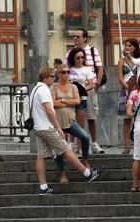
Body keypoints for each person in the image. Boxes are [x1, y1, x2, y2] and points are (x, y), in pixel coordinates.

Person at [30, 66, 103, 195]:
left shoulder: (35, 89)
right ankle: (87, 173)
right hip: (47, 127)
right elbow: (49, 110)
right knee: (66, 149)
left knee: (41, 156)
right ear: (45, 77)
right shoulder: (44, 90)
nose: (54, 79)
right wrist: (58, 127)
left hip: (38, 128)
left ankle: (43, 187)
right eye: (52, 76)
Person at [51, 63, 91, 183]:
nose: (66, 74)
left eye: (68, 72)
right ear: (59, 74)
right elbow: (53, 103)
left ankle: (85, 160)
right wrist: (69, 102)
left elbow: (77, 101)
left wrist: (62, 100)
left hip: (71, 121)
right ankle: (62, 173)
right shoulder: (53, 87)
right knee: (59, 149)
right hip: (58, 123)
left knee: (85, 137)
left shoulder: (73, 87)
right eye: (64, 72)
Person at [70, 27, 105, 154]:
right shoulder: (70, 53)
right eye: (74, 36)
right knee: (73, 118)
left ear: (85, 38)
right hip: (73, 91)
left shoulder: (92, 51)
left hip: (89, 89)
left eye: (77, 36)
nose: (75, 38)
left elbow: (100, 68)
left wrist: (96, 85)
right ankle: (73, 144)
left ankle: (94, 143)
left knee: (91, 116)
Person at [67, 47, 95, 156]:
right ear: (73, 58)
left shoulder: (87, 70)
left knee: (80, 124)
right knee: (70, 122)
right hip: (70, 99)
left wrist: (80, 90)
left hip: (82, 98)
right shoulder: (69, 69)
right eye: (78, 58)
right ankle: (71, 144)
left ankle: (79, 148)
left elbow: (91, 84)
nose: (80, 60)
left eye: (82, 57)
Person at [118, 38, 140, 154]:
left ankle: (138, 145)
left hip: (138, 91)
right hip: (126, 91)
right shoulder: (121, 61)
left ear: (135, 48)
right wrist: (127, 88)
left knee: (139, 118)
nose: (127, 47)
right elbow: (120, 77)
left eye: (130, 45)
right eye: (126, 45)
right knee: (126, 120)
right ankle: (127, 146)